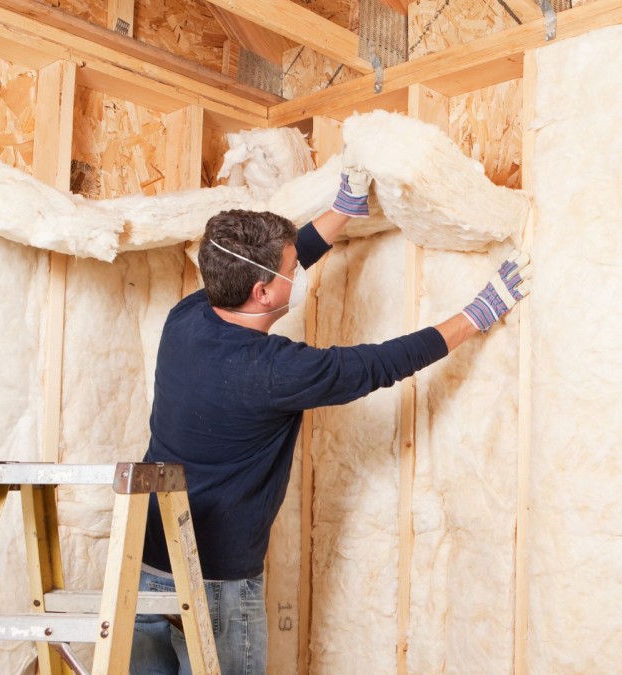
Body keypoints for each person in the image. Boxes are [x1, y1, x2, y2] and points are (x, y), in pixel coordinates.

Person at [130, 164, 531, 674]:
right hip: (215, 584)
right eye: (290, 267)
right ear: (262, 293)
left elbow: (265, 270)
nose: (297, 270)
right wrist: (477, 314)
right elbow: (380, 363)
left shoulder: (187, 315)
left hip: (143, 562)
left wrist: (342, 211)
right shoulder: (275, 371)